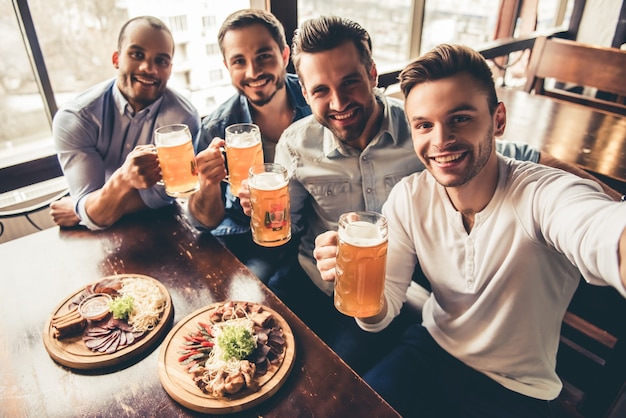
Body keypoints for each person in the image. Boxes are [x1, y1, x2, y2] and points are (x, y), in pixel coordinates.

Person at [272, 16, 622, 376]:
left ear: (373, 75)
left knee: (338, 383)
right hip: (317, 279)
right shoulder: (297, 146)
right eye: (320, 91)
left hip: (404, 291)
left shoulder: (423, 127)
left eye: (350, 82)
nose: (339, 101)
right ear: (305, 93)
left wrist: (616, 204)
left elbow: (542, 173)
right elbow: (285, 224)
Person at [186, 9, 310, 284]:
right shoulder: (217, 127)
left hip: (310, 237)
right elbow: (201, 222)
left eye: (264, 56)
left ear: (285, 55)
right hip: (246, 242)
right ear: (227, 66)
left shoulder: (318, 104)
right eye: (239, 61)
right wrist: (207, 183)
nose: (253, 72)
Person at [50, 16, 200, 230]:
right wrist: (122, 180)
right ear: (116, 59)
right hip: (93, 237)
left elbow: (161, 198)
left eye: (161, 60)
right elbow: (96, 215)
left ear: (170, 68)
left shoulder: (183, 119)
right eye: (137, 55)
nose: (149, 68)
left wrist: (79, 210)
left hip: (162, 225)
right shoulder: (76, 118)